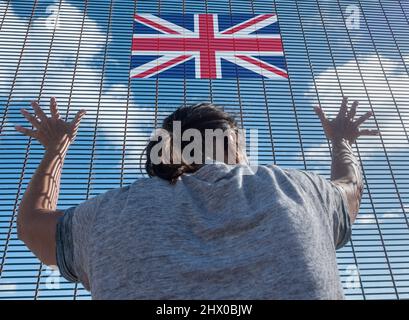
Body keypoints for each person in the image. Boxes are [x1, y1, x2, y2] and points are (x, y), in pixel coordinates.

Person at [15, 96, 378, 299]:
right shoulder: (299, 189)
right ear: (235, 145)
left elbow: (32, 225)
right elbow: (351, 188)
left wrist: (56, 148)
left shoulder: (106, 215)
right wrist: (342, 140)